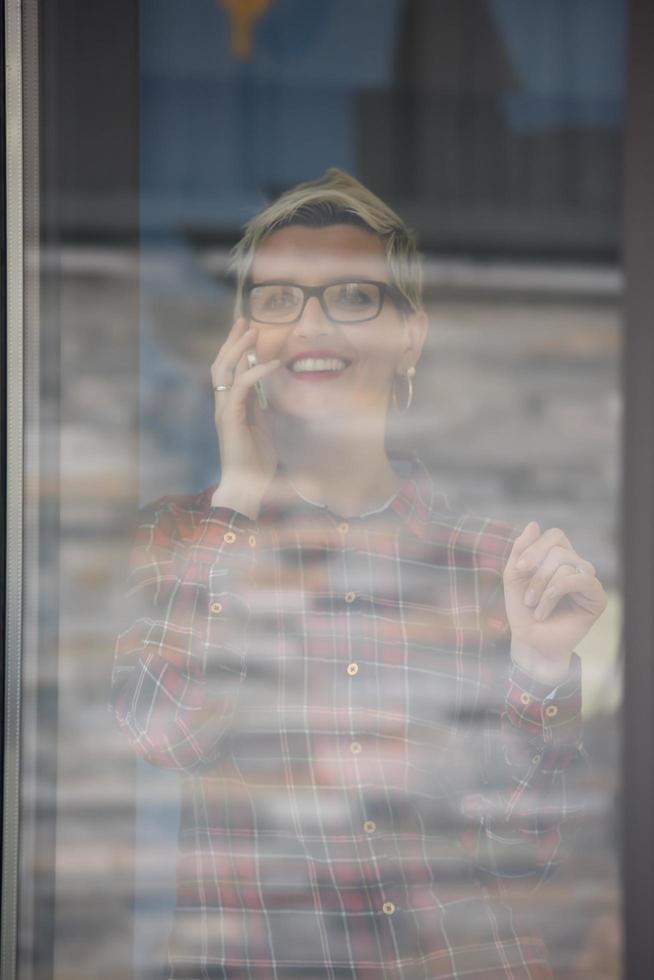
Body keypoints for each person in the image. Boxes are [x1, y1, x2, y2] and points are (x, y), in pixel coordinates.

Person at [111, 168, 607, 979]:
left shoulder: (494, 562)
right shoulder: (183, 536)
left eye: (353, 297)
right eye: (279, 300)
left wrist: (541, 669)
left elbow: (520, 859)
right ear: (244, 337)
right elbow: (164, 733)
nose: (312, 324)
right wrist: (238, 496)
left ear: (410, 334)